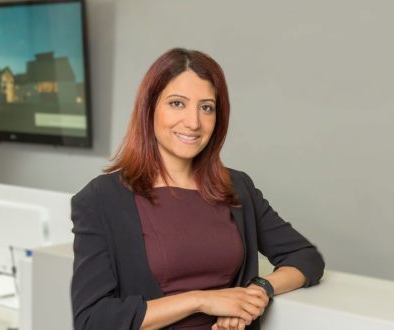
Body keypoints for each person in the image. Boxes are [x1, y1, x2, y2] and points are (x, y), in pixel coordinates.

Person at [70, 48, 325, 330]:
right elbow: (93, 320)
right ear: (149, 108)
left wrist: (257, 290)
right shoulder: (101, 198)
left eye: (206, 107)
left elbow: (306, 258)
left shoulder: (237, 187)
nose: (193, 122)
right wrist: (200, 300)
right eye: (177, 103)